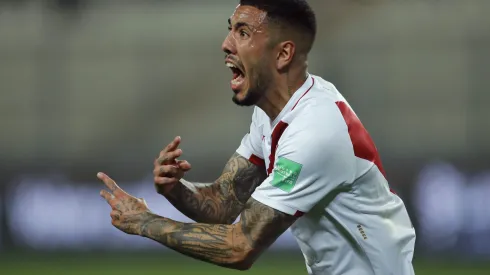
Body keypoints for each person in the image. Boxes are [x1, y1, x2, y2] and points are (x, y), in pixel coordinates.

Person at [98, 0, 416, 274]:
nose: (226, 44)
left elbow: (240, 247)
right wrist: (174, 190)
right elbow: (224, 202)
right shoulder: (272, 113)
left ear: (283, 54)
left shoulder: (315, 132)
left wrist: (145, 222)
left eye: (243, 32)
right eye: (231, 29)